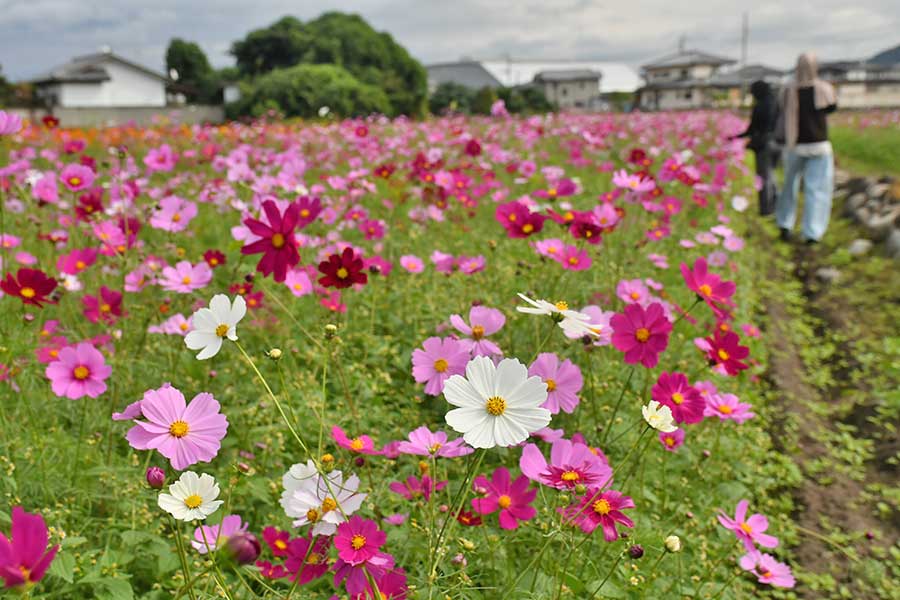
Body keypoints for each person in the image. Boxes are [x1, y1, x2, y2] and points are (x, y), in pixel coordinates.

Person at [775, 52, 837, 244]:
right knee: (816, 190)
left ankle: (785, 225)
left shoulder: (788, 89)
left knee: (789, 185)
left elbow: (780, 109)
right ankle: (812, 233)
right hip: (819, 146)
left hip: (795, 145)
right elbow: (831, 108)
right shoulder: (824, 88)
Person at [732, 80, 779, 215]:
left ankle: (766, 209)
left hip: (764, 145)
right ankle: (776, 205)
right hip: (778, 143)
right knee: (771, 175)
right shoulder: (775, 103)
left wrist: (735, 137)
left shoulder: (760, 106)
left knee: (764, 178)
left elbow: (752, 129)